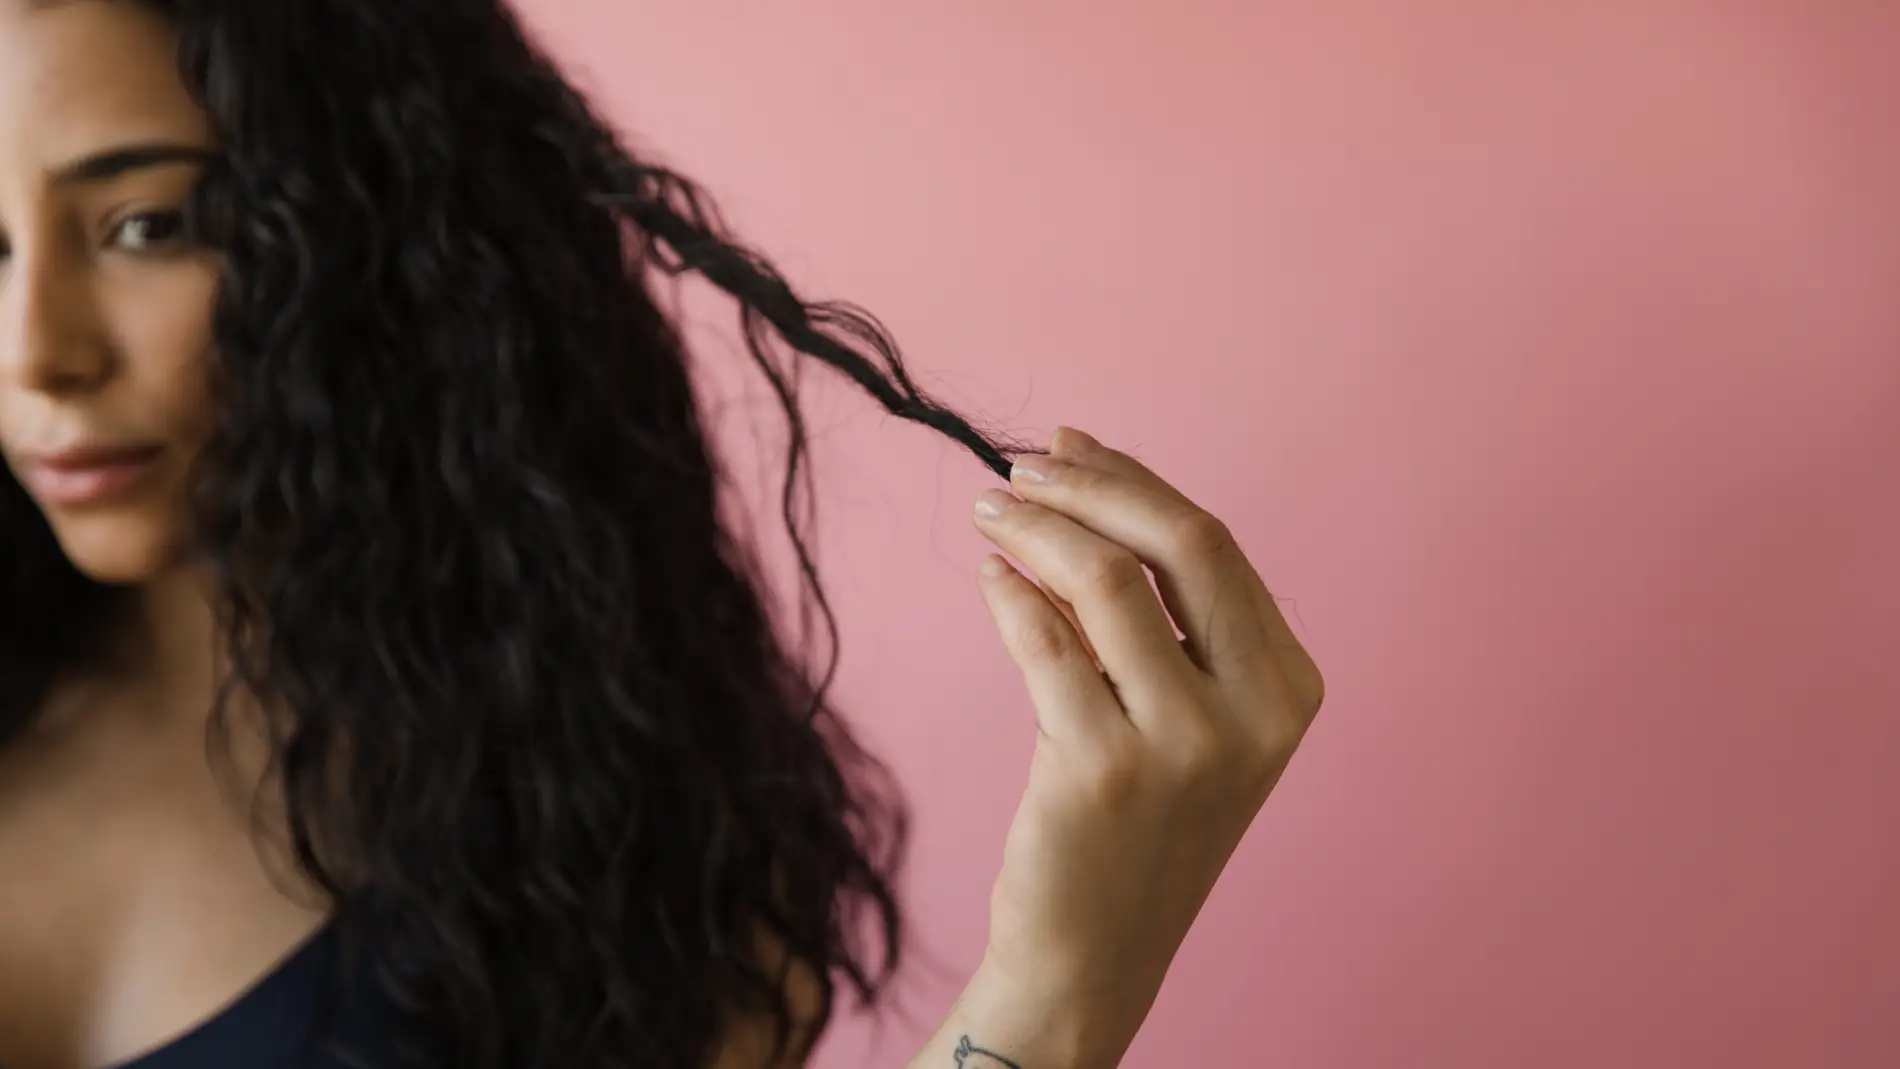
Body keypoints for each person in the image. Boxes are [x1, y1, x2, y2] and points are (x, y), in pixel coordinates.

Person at [0, 1, 1325, 1067]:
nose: (35, 353)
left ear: (374, 236)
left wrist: (1057, 991)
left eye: (145, 225)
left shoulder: (615, 838)